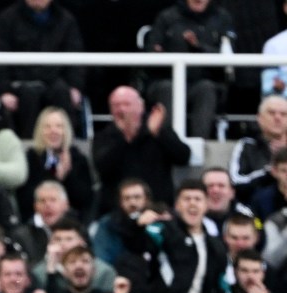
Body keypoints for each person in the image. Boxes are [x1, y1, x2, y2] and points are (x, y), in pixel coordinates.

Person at [0, 0, 86, 139]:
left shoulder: (66, 20)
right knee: (30, 94)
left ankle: (66, 147)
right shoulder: (7, 18)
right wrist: (4, 91)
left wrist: (75, 86)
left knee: (62, 93)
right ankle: (28, 149)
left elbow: (76, 57)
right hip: (20, 82)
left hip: (55, 80)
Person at [144, 0, 236, 139]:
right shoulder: (167, 17)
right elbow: (152, 49)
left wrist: (199, 46)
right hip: (168, 80)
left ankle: (198, 146)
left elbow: (228, 54)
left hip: (203, 81)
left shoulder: (221, 17)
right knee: (168, 89)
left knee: (206, 89)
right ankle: (168, 145)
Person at [92, 86, 191, 212]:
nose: (121, 109)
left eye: (126, 104)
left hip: (157, 208)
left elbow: (183, 157)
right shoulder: (104, 136)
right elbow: (102, 168)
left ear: (141, 106)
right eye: (116, 105)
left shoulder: (159, 129)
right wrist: (126, 140)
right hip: (118, 213)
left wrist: (158, 134)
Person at [17, 107, 95, 222]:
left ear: (66, 130)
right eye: (47, 126)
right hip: (35, 221)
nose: (53, 131)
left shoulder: (77, 158)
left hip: (72, 221)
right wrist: (55, 178)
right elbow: (25, 199)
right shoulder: (31, 158)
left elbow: (85, 199)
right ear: (40, 131)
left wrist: (67, 175)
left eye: (59, 126)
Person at [229, 94, 287, 203]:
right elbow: (236, 183)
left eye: (283, 114)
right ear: (259, 118)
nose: (278, 118)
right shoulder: (247, 145)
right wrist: (269, 172)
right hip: (256, 209)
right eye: (271, 113)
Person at [90, 178, 153, 266]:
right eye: (127, 198)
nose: (132, 202)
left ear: (146, 200)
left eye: (137, 197)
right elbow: (101, 259)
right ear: (120, 202)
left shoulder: (157, 221)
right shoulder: (108, 224)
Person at [202, 166, 256, 231]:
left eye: (221, 186)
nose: (215, 190)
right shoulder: (190, 217)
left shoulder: (247, 215)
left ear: (232, 193)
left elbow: (260, 230)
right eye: (210, 186)